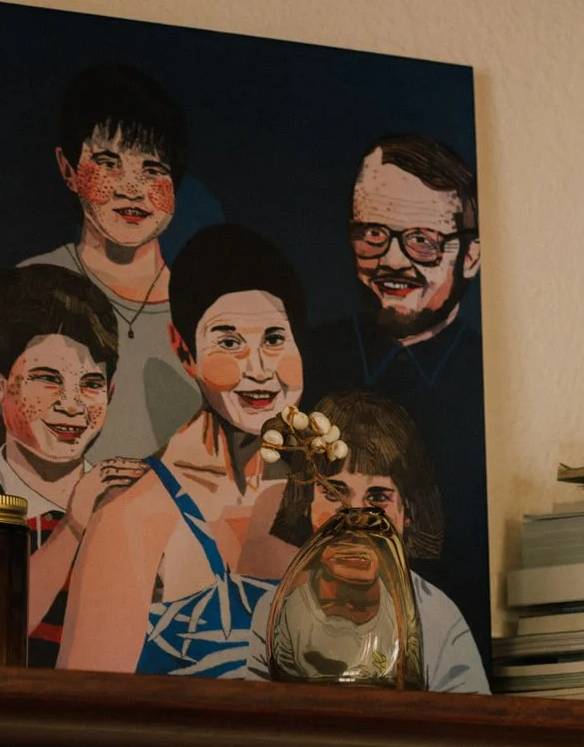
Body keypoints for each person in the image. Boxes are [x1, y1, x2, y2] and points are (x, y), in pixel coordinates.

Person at [59, 225, 307, 675]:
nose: (257, 370)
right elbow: (85, 711)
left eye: (274, 339)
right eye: (229, 342)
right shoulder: (133, 515)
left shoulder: (316, 499)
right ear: (184, 349)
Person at [0, 63, 202, 467]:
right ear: (68, 169)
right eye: (108, 163)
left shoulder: (205, 312)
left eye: (153, 169)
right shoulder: (23, 290)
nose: (131, 188)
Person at [244, 392, 489, 691]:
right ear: (305, 502)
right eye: (334, 493)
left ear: (407, 512)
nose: (355, 516)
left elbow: (463, 729)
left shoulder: (436, 616)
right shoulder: (277, 609)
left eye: (377, 497)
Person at [0, 263, 143, 662]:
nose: (72, 405)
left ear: (111, 392)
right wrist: (75, 524)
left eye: (91, 384)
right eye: (47, 379)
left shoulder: (126, 506)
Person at [312, 134, 485, 527]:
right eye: (373, 234)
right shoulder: (306, 358)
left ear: (471, 256)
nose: (392, 260)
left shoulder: (484, 380)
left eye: (422, 241)